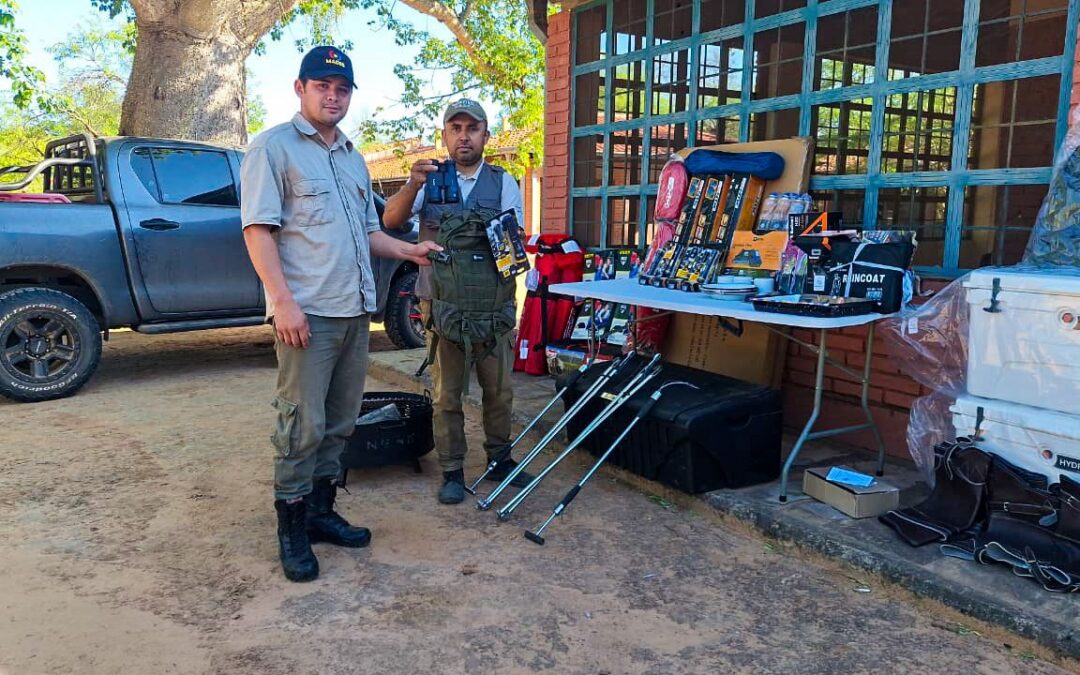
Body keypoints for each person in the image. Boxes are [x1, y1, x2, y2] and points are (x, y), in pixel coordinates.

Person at [241, 46, 442, 582]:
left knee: (339, 424)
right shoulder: (272, 149)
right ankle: (291, 527)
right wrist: (282, 302)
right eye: (322, 85)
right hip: (307, 314)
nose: (333, 95)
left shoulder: (353, 158)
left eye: (342, 88)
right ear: (299, 88)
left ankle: (321, 514)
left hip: (355, 312)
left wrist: (410, 252)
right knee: (300, 424)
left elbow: (369, 232)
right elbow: (258, 230)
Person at [382, 99, 534, 505]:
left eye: (472, 128)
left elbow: (512, 249)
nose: (463, 136)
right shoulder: (429, 179)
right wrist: (412, 183)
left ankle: (500, 458)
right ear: (445, 135)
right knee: (447, 394)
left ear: (486, 134)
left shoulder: (504, 183)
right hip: (441, 304)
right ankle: (451, 469)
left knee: (499, 391)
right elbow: (390, 222)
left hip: (492, 305)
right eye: (456, 128)